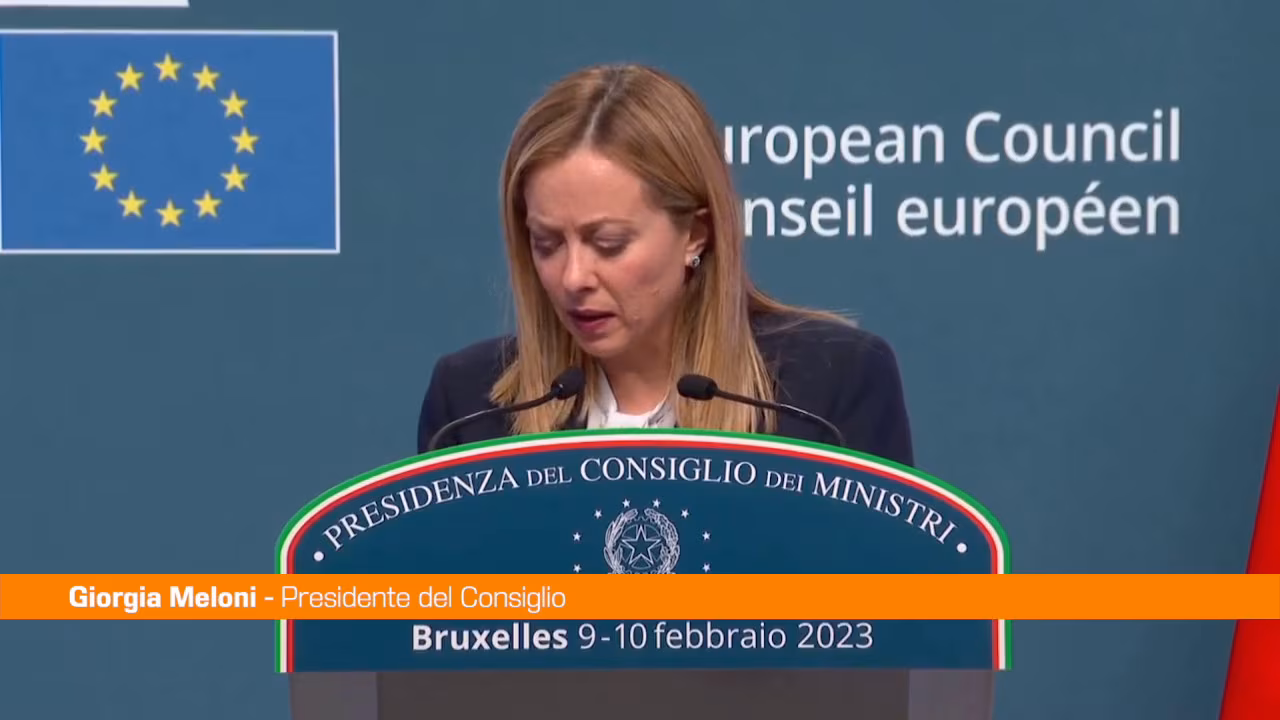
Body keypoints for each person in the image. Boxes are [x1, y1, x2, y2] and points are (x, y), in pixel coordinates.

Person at [416, 63, 913, 468]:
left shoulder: (830, 390)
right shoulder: (468, 409)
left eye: (609, 243)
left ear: (696, 232)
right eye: (547, 244)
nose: (573, 277)